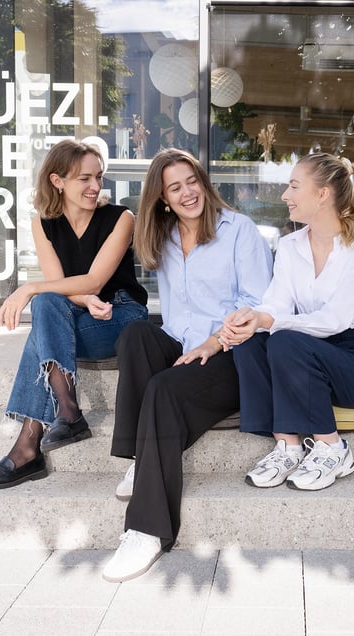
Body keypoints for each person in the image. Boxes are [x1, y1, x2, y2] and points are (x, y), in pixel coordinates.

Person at [102, 148, 272, 582]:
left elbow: (257, 304)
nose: (187, 192)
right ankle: (142, 456)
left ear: (203, 180)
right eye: (174, 187)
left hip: (233, 355)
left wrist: (213, 344)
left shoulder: (239, 230)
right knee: (136, 335)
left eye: (191, 181)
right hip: (183, 346)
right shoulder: (163, 236)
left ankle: (147, 531)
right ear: (162, 198)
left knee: (163, 389)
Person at [0, 139, 148, 491]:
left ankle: (28, 446)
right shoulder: (44, 223)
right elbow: (59, 287)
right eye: (84, 178)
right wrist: (73, 297)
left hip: (122, 317)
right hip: (79, 317)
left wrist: (29, 287)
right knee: (49, 303)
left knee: (42, 312)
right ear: (57, 181)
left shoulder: (121, 218)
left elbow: (96, 280)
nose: (95, 186)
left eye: (98, 177)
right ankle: (67, 411)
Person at [220, 152, 354, 491]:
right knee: (250, 339)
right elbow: (276, 304)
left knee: (283, 338)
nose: (285, 195)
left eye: (294, 186)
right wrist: (251, 318)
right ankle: (288, 445)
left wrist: (268, 319)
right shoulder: (290, 245)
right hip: (301, 353)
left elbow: (335, 320)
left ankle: (332, 447)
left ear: (322, 194)